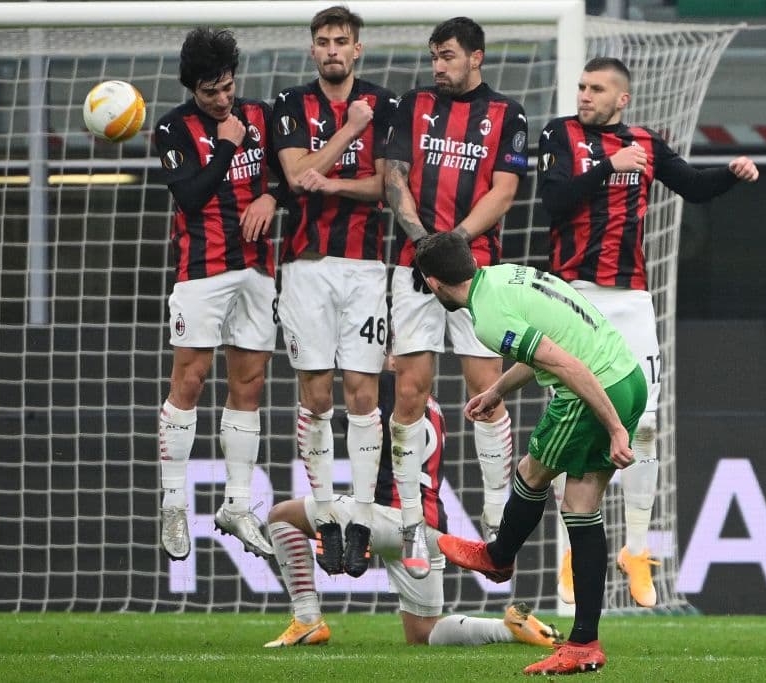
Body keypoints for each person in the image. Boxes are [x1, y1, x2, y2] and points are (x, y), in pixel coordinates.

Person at [537, 57, 759, 607]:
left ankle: (637, 550)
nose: (585, 96)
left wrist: (732, 175)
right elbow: (554, 202)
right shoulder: (559, 134)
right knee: (574, 423)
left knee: (648, 425)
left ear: (623, 99)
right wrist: (610, 166)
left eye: (597, 89)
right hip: (573, 296)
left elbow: (695, 188)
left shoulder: (646, 142)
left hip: (632, 299)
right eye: (582, 87)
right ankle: (569, 551)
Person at [415, 231, 647, 675]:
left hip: (592, 392)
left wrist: (616, 429)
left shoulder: (485, 318)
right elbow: (547, 348)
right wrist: (496, 390)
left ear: (433, 284)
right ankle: (584, 644)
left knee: (530, 473)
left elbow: (564, 364)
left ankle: (499, 556)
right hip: (627, 376)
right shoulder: (503, 277)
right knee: (581, 507)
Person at [264, 364, 562, 650]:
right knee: (424, 632)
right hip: (428, 530)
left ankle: (307, 619)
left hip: (381, 516)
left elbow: (350, 423)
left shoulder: (382, 387)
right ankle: (506, 629)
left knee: (281, 517)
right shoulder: (430, 403)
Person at [384, 16, 528, 578]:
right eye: (434, 56)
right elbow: (393, 176)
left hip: (478, 271)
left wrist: (455, 244)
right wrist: (424, 244)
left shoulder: (506, 113)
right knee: (410, 394)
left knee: (486, 391)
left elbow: (506, 189)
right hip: (413, 267)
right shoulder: (410, 104)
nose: (438, 66)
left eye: (447, 56)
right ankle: (411, 522)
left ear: (476, 58)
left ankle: (496, 520)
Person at [271, 5, 397, 578]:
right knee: (316, 396)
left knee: (364, 396)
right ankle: (324, 516)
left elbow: (388, 188)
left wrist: (335, 182)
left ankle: (364, 520)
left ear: (358, 48)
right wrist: (350, 132)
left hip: (366, 267)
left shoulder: (385, 104)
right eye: (322, 42)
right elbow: (297, 176)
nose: (332, 50)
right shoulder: (290, 104)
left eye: (341, 41)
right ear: (312, 49)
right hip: (305, 266)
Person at [153, 27, 288, 561]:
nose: (224, 98)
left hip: (257, 267)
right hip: (201, 270)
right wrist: (226, 147)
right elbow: (189, 197)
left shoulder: (260, 114)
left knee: (249, 384)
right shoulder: (172, 128)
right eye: (211, 92)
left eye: (228, 87)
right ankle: (172, 503)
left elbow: (289, 173)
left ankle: (236, 504)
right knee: (190, 378)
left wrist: (272, 198)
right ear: (193, 87)